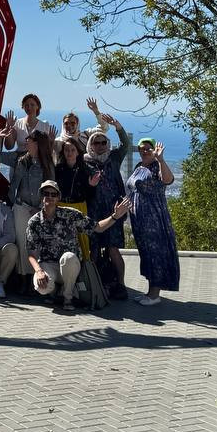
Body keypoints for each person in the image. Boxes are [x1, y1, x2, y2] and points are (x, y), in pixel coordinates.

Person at [27, 182, 131, 315]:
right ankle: (54, 292)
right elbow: (31, 252)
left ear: (58, 197)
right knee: (42, 287)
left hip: (70, 266)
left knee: (68, 257)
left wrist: (115, 216)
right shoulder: (34, 222)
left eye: (53, 194)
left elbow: (97, 227)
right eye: (46, 194)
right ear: (41, 196)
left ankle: (67, 297)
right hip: (48, 265)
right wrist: (38, 271)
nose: (50, 197)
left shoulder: (70, 215)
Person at [0, 127, 55, 280]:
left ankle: (36, 276)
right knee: (22, 242)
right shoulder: (19, 159)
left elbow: (51, 189)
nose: (26, 141)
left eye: (29, 140)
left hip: (39, 210)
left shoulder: (47, 164)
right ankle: (23, 277)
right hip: (20, 207)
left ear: (37, 144)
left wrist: (41, 208)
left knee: (37, 243)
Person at [126, 140, 180, 306]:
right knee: (146, 254)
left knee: (155, 254)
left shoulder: (157, 166)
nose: (145, 151)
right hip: (139, 220)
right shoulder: (139, 166)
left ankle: (155, 295)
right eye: (142, 149)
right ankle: (150, 292)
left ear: (154, 150)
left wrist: (161, 159)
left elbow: (168, 180)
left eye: (148, 149)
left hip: (154, 219)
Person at [85, 117, 131, 298]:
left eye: (103, 142)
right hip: (94, 212)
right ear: (91, 145)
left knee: (113, 249)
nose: (100, 145)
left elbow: (126, 145)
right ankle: (95, 285)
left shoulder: (114, 158)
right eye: (96, 143)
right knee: (93, 250)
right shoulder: (85, 162)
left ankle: (121, 285)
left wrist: (118, 127)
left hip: (114, 211)